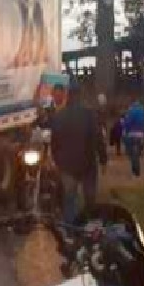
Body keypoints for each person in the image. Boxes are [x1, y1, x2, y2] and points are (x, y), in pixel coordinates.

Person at [50, 82, 107, 223]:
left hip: (67, 166)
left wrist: (58, 163)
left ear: (67, 95)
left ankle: (71, 230)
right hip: (88, 164)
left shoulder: (58, 117)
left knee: (69, 199)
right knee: (89, 198)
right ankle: (89, 225)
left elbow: (54, 144)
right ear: (80, 95)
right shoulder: (89, 114)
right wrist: (103, 159)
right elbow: (98, 137)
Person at [123, 99, 144, 177]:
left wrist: (126, 131)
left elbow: (128, 123)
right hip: (141, 134)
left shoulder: (131, 112)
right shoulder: (143, 112)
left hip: (132, 134)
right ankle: (137, 169)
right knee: (137, 151)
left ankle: (135, 169)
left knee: (131, 153)